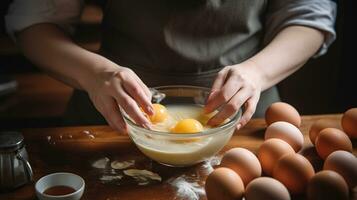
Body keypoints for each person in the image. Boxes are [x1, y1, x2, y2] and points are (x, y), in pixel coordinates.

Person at [5, 0, 336, 132]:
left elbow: (309, 16)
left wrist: (257, 72)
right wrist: (95, 74)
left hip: (243, 120)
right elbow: (33, 22)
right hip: (113, 116)